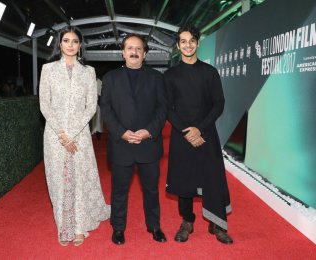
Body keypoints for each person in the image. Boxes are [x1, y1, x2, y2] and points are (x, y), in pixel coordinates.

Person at [39, 26, 110, 247]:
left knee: (79, 179)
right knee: (59, 181)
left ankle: (79, 227)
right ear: (59, 44)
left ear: (80, 46)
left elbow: (91, 107)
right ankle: (64, 227)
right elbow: (44, 104)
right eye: (66, 40)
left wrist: (73, 133)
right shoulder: (48, 69)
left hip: (80, 135)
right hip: (54, 135)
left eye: (75, 41)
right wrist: (62, 135)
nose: (70, 45)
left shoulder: (88, 72)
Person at [164, 25, 233, 245]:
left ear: (198, 43)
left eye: (191, 40)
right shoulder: (171, 75)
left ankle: (217, 224)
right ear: (178, 45)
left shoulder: (210, 72)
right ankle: (187, 221)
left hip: (206, 134)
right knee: (185, 179)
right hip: (181, 135)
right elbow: (166, 108)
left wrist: (199, 129)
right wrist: (187, 131)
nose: (187, 45)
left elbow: (218, 103)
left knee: (213, 178)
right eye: (183, 41)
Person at [100, 33, 167, 245]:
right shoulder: (110, 78)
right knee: (119, 191)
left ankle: (154, 226)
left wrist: (149, 131)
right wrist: (121, 131)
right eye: (129, 48)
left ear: (145, 53)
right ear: (123, 52)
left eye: (138, 48)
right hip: (122, 144)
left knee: (151, 189)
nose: (134, 52)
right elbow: (106, 108)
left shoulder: (157, 78)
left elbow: (162, 108)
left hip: (148, 143)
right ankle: (118, 228)